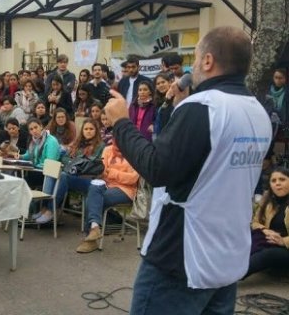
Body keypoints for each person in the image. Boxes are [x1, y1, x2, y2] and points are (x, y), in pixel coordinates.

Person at [104, 26, 272, 314]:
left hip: (182, 259)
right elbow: (207, 163)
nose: (192, 66)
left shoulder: (203, 107)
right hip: (227, 257)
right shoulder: (257, 111)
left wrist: (121, 123)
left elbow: (157, 168)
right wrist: (178, 110)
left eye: (195, 59)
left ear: (207, 61)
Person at [75, 139, 139, 253]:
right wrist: (112, 174)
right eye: (115, 140)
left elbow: (133, 179)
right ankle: (94, 229)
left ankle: (91, 238)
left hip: (126, 190)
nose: (116, 143)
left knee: (93, 198)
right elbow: (102, 171)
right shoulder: (107, 150)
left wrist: (113, 173)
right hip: (106, 185)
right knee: (94, 187)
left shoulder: (134, 152)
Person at [39, 119, 105, 227]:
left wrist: (75, 162)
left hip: (89, 179)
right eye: (86, 129)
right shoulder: (78, 143)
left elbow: (93, 163)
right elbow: (64, 158)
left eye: (91, 129)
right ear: (82, 131)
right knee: (53, 173)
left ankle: (51, 210)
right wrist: (74, 162)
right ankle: (45, 207)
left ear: (96, 131)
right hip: (73, 175)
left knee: (64, 176)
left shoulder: (100, 146)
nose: (88, 131)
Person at [245, 167, 289, 278]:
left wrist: (283, 241)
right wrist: (265, 230)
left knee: (269, 254)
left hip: (283, 248)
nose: (277, 183)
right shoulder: (268, 201)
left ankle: (230, 276)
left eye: (282, 179)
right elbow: (254, 222)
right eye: (273, 181)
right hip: (269, 243)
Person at [20, 117, 61, 202]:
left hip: (47, 174)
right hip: (37, 171)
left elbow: (51, 162)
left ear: (41, 126)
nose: (34, 131)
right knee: (18, 177)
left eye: (36, 127)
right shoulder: (34, 141)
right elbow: (29, 154)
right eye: (31, 129)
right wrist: (20, 157)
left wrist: (34, 166)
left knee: (21, 180)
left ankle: (27, 207)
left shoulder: (51, 141)